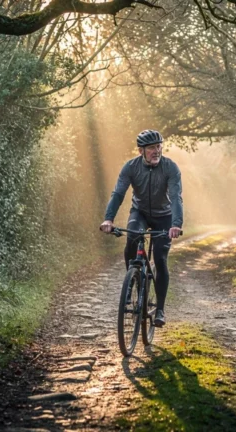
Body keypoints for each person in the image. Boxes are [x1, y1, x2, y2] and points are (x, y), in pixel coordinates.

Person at [100, 129, 183, 327]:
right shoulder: (130, 167)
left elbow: (176, 197)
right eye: (151, 148)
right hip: (140, 213)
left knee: (161, 259)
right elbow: (118, 193)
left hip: (164, 216)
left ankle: (160, 309)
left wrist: (176, 224)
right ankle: (132, 279)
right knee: (132, 238)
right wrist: (108, 220)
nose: (156, 151)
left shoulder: (170, 168)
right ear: (141, 151)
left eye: (158, 146)